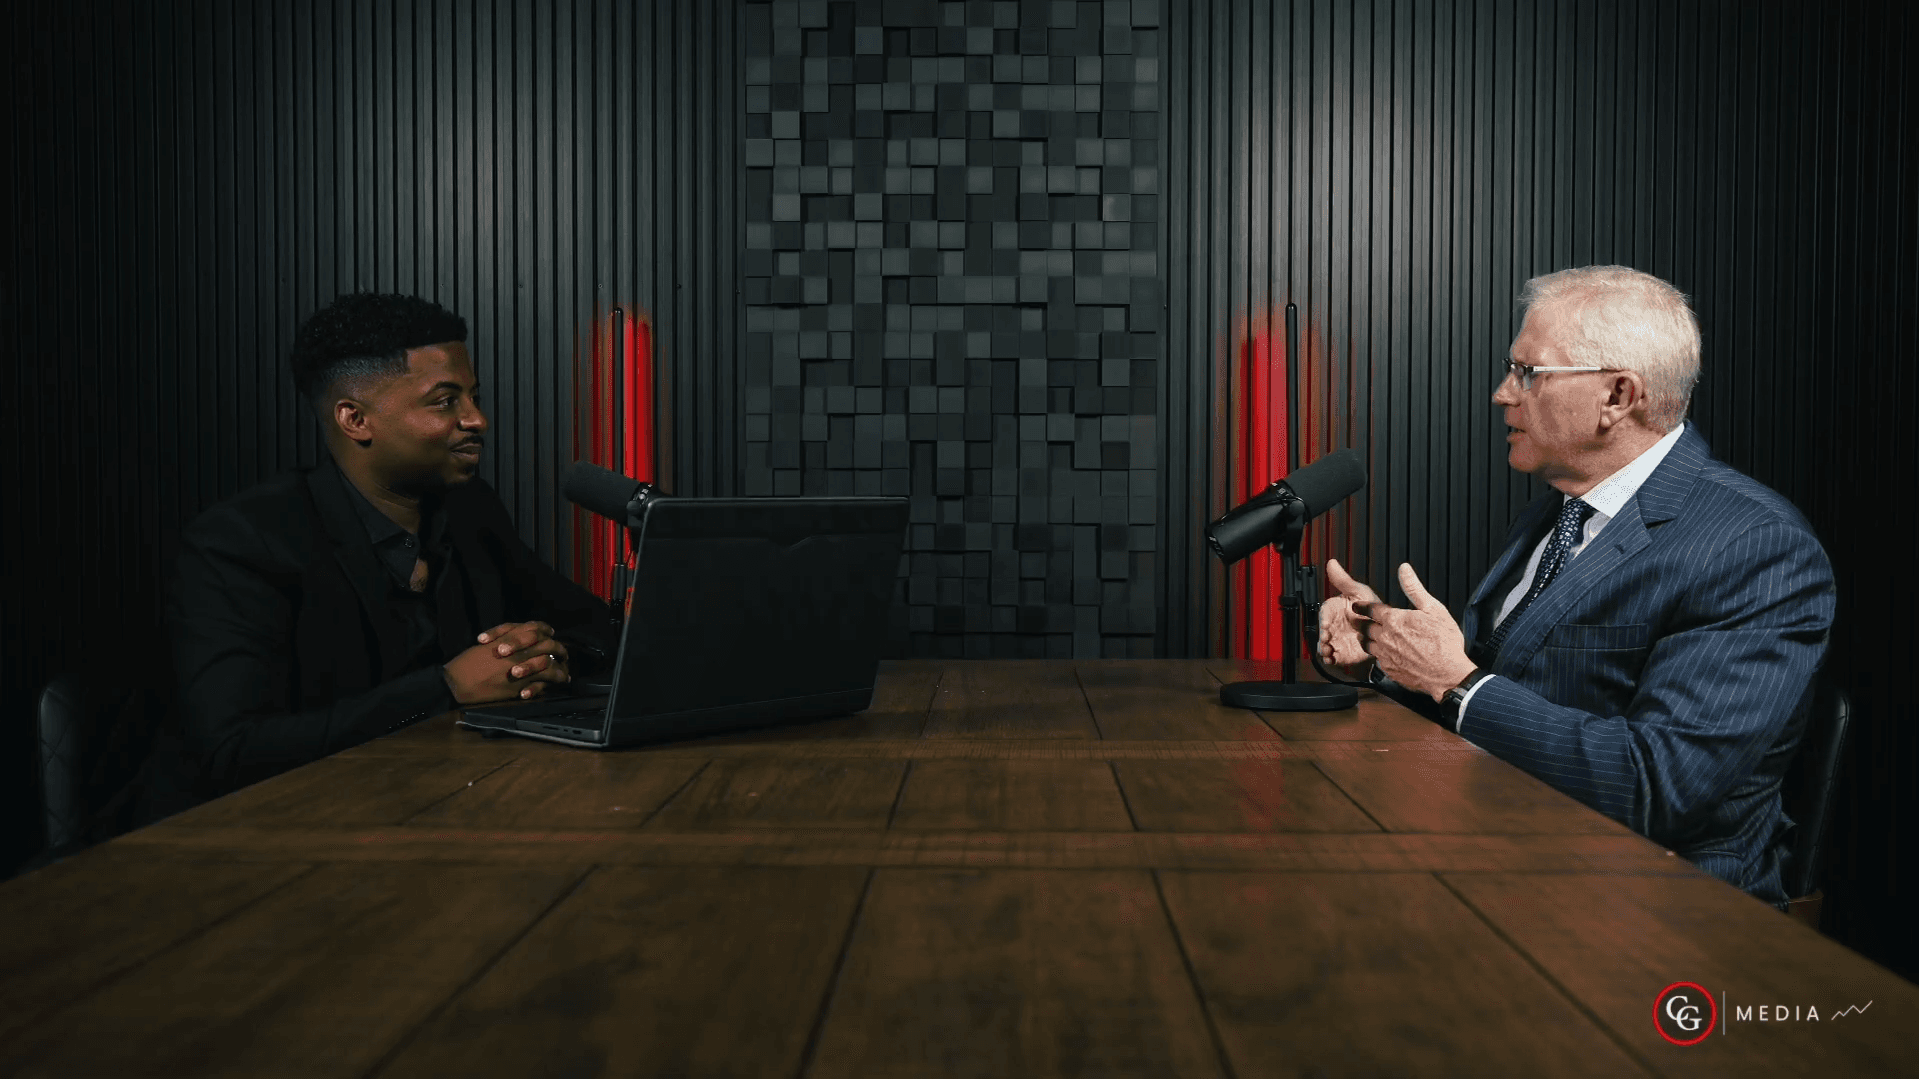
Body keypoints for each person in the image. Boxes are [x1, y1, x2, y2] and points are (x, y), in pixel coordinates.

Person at [1318, 266, 1834, 909]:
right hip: (1505, 859)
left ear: (1618, 395)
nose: (1502, 394)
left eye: (1528, 373)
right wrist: (1387, 658)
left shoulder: (1756, 547)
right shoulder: (1555, 511)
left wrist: (1454, 679)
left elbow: (1657, 789)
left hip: (1660, 915)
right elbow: (1493, 690)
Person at [163, 292, 619, 798]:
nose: (477, 420)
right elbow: (232, 751)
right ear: (355, 420)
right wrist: (445, 688)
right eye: (446, 401)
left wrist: (543, 658)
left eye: (475, 397)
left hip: (440, 811)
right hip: (279, 841)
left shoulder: (470, 511)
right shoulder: (242, 541)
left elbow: (589, 626)